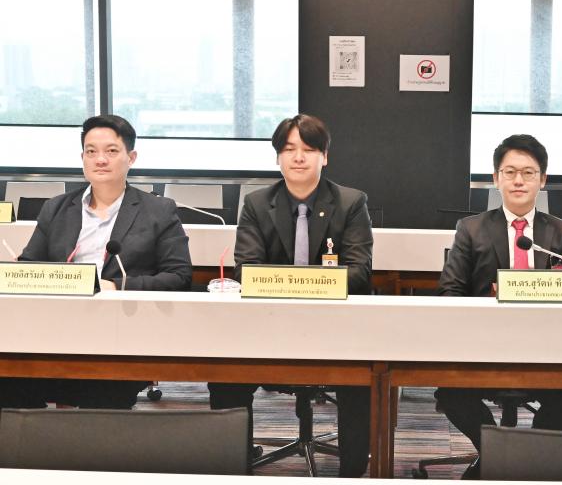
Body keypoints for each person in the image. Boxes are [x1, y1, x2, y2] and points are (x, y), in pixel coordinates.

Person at [207, 114, 372, 478]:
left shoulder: (350, 202)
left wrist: (297, 283)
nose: (298, 157)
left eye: (309, 149)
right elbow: (245, 271)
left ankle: (353, 471)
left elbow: (360, 272)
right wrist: (306, 283)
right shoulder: (256, 203)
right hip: (268, 327)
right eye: (289, 149)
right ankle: (234, 465)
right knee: (224, 374)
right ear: (278, 157)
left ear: (324, 156)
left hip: (336, 329)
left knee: (362, 378)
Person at [1, 114, 192, 410]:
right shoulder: (56, 208)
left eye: (111, 151)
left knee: (103, 396)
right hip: (53, 329)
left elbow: (179, 277)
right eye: (91, 151)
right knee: (9, 382)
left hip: (119, 334)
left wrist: (116, 286)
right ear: (82, 158)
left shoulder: (158, 211)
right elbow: (29, 267)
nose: (100, 159)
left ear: (131, 157)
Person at [436, 134, 562, 479]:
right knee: (451, 393)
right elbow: (449, 291)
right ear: (496, 178)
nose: (519, 180)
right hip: (484, 347)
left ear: (542, 180)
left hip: (546, 349)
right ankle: (497, 454)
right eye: (510, 172)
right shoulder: (470, 229)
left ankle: (526, 457)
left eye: (528, 173)